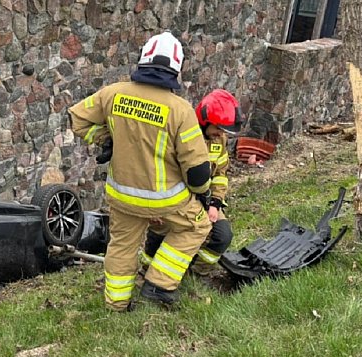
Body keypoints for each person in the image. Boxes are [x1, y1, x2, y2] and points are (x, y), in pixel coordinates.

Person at [68, 30, 212, 311]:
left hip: (122, 196)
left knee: (122, 244)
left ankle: (117, 303)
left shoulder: (112, 94)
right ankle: (159, 284)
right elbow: (196, 171)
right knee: (197, 227)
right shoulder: (180, 110)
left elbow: (77, 119)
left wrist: (105, 139)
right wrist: (203, 194)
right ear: (176, 69)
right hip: (166, 200)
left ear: (143, 59)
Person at [140, 89, 243, 276]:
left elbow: (220, 174)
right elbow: (155, 172)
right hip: (172, 199)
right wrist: (152, 207)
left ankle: (195, 271)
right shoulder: (180, 135)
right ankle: (148, 271)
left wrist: (215, 204)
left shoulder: (219, 140)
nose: (221, 134)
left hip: (204, 199)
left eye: (224, 130)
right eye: (218, 128)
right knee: (161, 232)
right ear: (205, 121)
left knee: (222, 236)